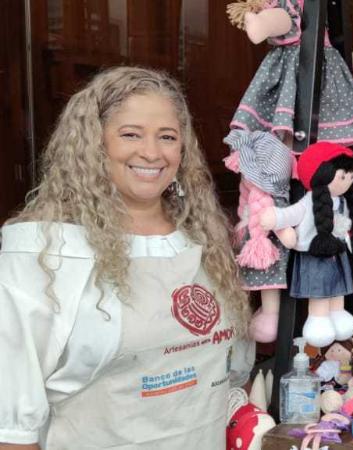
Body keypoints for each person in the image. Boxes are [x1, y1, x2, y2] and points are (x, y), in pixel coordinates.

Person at [0, 67, 253, 449]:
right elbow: (13, 430)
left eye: (167, 137)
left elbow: (228, 377)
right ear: (94, 144)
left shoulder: (205, 240)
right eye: (131, 134)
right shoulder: (46, 253)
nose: (151, 152)